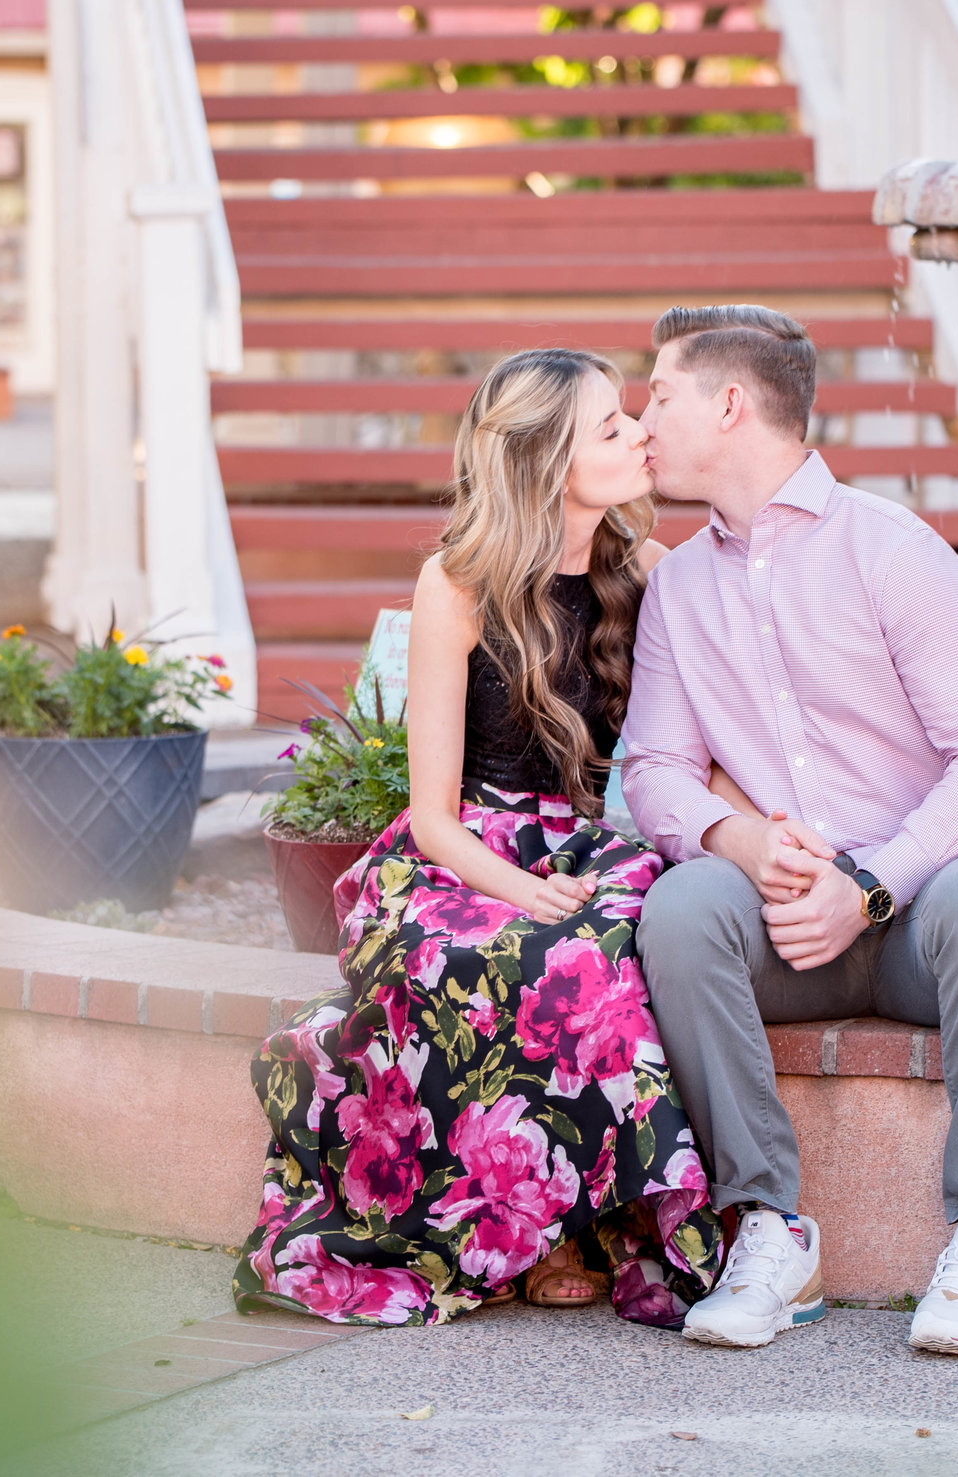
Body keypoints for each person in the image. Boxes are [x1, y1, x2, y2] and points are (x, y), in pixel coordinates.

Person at [235, 348, 732, 1328]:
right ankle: (521, 1236)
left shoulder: (650, 573)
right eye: (610, 427)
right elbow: (430, 815)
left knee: (603, 956)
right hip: (457, 857)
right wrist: (512, 887)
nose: (640, 435)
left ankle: (585, 1223)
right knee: (495, 958)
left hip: (584, 848)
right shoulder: (455, 583)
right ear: (548, 462)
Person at [623, 304, 958, 1357]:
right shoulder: (677, 587)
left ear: (729, 403)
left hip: (920, 917)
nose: (642, 421)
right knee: (678, 911)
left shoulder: (891, 549)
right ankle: (770, 1227)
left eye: (659, 395)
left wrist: (870, 885)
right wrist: (742, 843)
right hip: (782, 925)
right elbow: (656, 769)